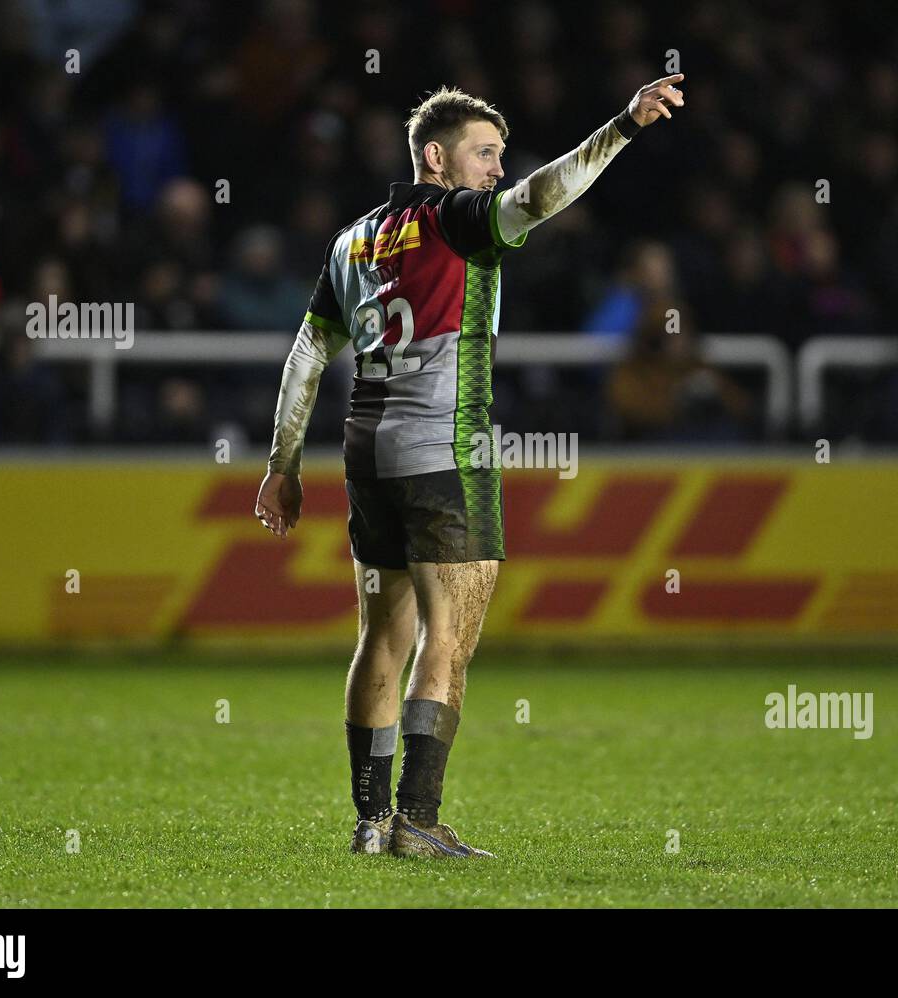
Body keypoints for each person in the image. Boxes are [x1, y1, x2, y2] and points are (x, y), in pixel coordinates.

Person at [253, 75, 685, 858]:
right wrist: (623, 124)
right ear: (434, 157)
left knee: (380, 636)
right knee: (445, 642)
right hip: (445, 448)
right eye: (483, 153)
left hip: (366, 450)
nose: (495, 168)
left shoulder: (351, 240)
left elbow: (308, 352)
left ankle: (369, 821)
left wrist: (282, 464)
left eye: (499, 154)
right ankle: (418, 819)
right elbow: (541, 198)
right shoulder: (456, 218)